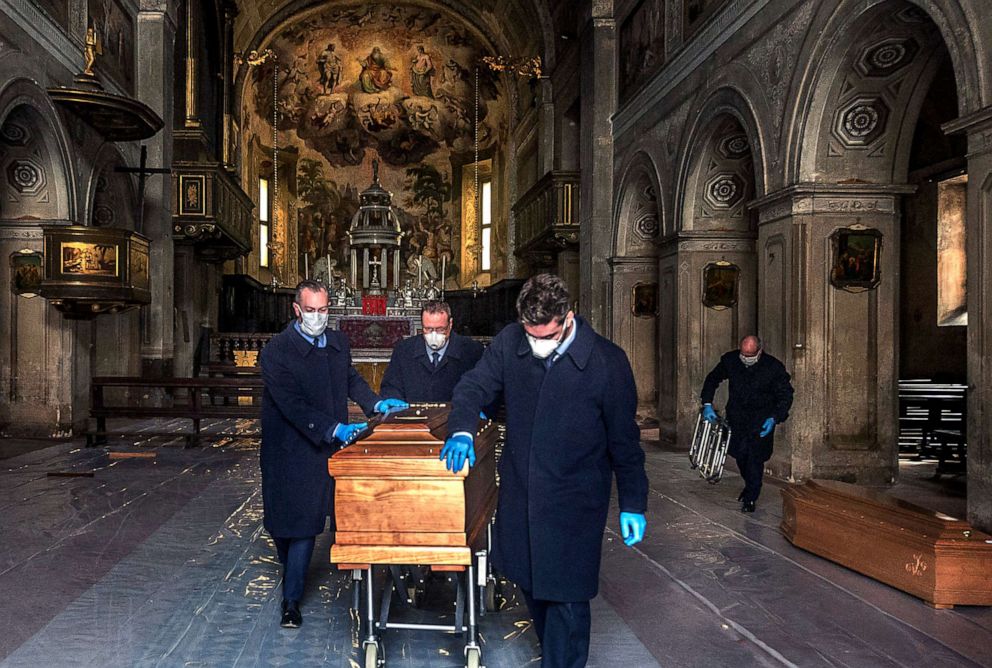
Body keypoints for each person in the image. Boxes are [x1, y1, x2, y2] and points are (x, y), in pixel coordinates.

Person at [440, 274, 648, 668]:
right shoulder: (508, 343)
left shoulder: (607, 362)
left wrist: (634, 502)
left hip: (575, 505)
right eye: (529, 333)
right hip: (522, 496)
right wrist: (463, 429)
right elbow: (472, 387)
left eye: (546, 336)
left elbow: (625, 442)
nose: (536, 344)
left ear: (568, 318)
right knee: (533, 590)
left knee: (568, 603)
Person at [259, 280, 407, 629]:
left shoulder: (338, 342)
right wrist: (333, 429)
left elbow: (351, 380)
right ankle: (291, 575)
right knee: (289, 526)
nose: (318, 317)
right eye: (311, 311)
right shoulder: (277, 352)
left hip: (329, 448)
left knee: (307, 526)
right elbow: (292, 406)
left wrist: (375, 404)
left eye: (323, 310)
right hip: (290, 449)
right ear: (297, 310)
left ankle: (291, 601)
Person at [700, 335, 794, 513]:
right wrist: (707, 404)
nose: (746, 359)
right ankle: (750, 484)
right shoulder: (730, 360)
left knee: (754, 458)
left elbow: (785, 395)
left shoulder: (773, 367)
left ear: (759, 351)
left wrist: (775, 417)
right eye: (743, 355)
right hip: (737, 417)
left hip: (761, 419)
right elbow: (713, 379)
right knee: (740, 455)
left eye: (750, 356)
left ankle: (751, 497)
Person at [379, 301, 485, 405]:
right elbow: (390, 386)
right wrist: (393, 400)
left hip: (456, 419)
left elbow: (485, 387)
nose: (434, 335)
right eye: (428, 329)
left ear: (450, 324)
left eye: (440, 329)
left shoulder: (472, 351)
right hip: (414, 418)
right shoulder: (404, 350)